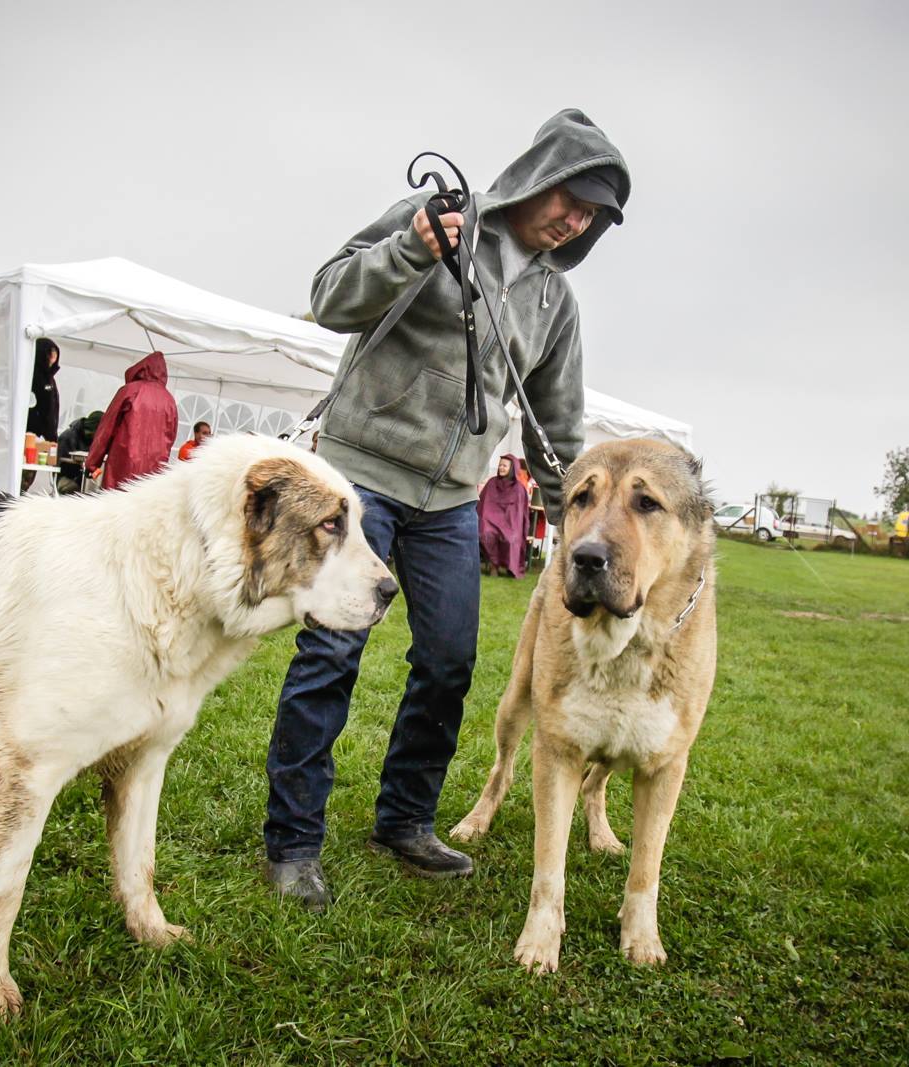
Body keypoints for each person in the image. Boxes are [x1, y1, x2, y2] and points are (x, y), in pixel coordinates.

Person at [263, 109, 629, 908]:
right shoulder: (437, 220)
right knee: (331, 653)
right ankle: (292, 842)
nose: (575, 221)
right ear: (538, 175)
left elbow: (557, 429)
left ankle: (404, 819)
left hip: (454, 498)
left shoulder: (555, 303)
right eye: (570, 199)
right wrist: (411, 249)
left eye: (591, 215)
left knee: (450, 661)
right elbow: (330, 296)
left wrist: (577, 529)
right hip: (360, 476)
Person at [84, 351, 178, 490]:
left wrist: (92, 464)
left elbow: (107, 428)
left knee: (115, 501)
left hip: (123, 464)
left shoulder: (130, 391)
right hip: (153, 473)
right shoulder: (169, 401)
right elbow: (170, 438)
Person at [479, 454, 532, 578]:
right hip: (490, 522)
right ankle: (494, 566)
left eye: (505, 466)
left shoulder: (519, 489)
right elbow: (483, 506)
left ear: (512, 468)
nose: (501, 468)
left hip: (510, 524)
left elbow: (519, 514)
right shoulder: (491, 483)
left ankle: (510, 567)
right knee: (486, 534)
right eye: (500, 465)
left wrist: (508, 525)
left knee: (511, 538)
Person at [27, 338, 61, 443]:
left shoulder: (50, 379)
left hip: (48, 434)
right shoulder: (32, 375)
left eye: (55, 355)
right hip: (34, 434)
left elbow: (52, 408)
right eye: (50, 354)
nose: (53, 358)